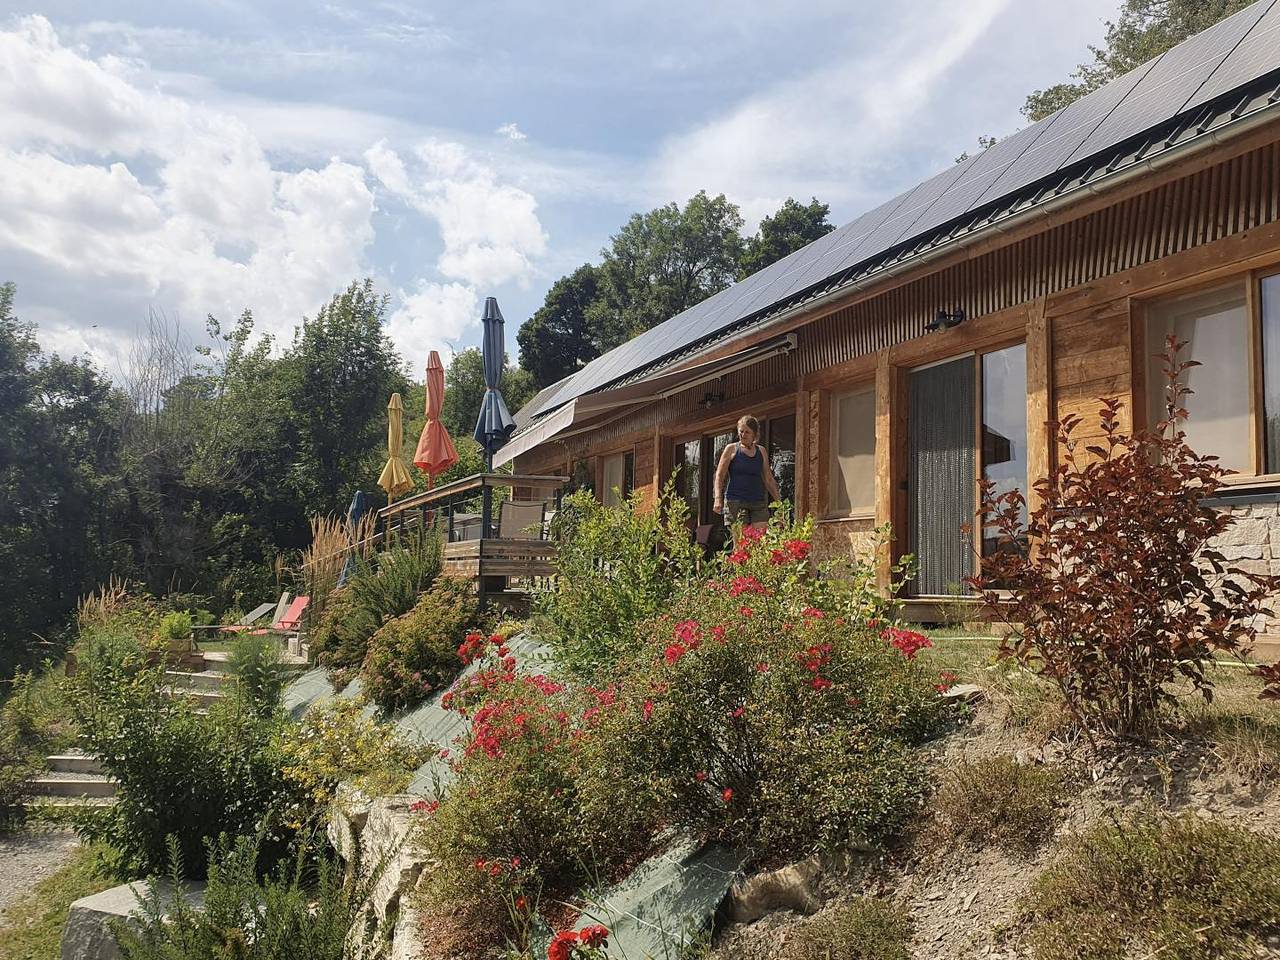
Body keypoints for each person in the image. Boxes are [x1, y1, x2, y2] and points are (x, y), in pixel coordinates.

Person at [712, 415, 781, 534]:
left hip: (758, 501)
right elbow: (719, 475)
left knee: (759, 541)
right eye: (741, 431)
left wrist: (780, 504)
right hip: (736, 501)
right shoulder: (732, 449)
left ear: (754, 434)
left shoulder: (761, 451)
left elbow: (768, 479)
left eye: (747, 432)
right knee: (741, 545)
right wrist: (718, 498)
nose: (743, 435)